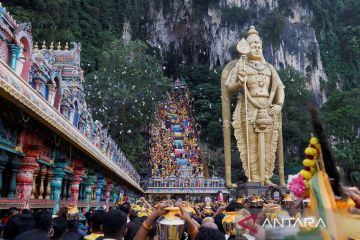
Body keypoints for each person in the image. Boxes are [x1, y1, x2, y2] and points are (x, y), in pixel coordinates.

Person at [222, 26, 285, 186]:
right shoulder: (241, 67)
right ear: (246, 48)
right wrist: (239, 82)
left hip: (268, 107)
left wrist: (279, 104)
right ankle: (255, 177)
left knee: (269, 144)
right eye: (253, 45)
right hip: (248, 108)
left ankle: (267, 176)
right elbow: (229, 87)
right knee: (251, 144)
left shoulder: (269, 68)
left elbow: (280, 87)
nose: (256, 48)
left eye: (258, 45)